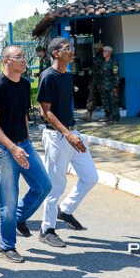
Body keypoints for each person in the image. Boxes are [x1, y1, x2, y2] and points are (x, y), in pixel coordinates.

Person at [0, 45, 52, 263]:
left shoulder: (24, 83)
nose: (24, 60)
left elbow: (22, 114)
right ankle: (6, 246)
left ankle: (18, 218)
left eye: (24, 56)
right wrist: (12, 147)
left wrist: (26, 140)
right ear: (6, 61)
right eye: (18, 57)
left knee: (43, 186)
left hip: (24, 144)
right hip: (2, 148)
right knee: (8, 199)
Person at [38, 37, 98, 248]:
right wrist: (67, 135)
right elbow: (45, 111)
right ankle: (47, 229)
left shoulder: (68, 75)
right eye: (66, 48)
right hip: (57, 137)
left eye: (71, 47)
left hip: (72, 133)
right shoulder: (48, 76)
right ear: (55, 53)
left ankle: (65, 210)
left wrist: (73, 134)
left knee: (90, 177)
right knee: (56, 185)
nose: (71, 51)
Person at [101, 46, 121, 124]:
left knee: (114, 103)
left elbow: (116, 75)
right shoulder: (103, 63)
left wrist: (116, 87)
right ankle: (110, 118)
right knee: (107, 104)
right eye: (103, 51)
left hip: (112, 87)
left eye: (105, 51)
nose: (103, 53)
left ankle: (115, 119)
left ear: (109, 53)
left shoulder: (114, 63)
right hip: (105, 86)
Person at [84, 43, 103, 121]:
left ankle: (109, 115)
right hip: (94, 81)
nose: (94, 50)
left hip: (102, 82)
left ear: (100, 49)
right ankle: (88, 114)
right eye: (94, 49)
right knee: (91, 97)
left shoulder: (103, 58)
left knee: (104, 98)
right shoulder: (95, 58)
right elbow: (93, 72)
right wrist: (90, 82)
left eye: (96, 49)